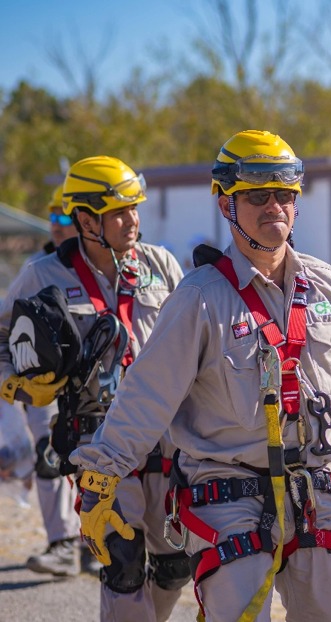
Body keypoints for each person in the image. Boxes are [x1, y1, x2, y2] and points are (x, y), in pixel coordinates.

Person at [69, 130, 331, 622]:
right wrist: (101, 475)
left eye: (284, 195)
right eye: (257, 196)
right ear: (225, 204)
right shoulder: (199, 297)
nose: (274, 207)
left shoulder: (326, 285)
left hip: (315, 492)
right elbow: (145, 397)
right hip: (228, 498)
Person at [0, 156, 188, 619]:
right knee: (122, 565)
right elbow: (1, 340)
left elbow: (193, 341)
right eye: (120, 211)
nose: (133, 220)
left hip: (167, 439)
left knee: (175, 565)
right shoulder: (43, 275)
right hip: (98, 444)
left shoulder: (161, 265)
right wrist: (19, 389)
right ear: (85, 219)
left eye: (135, 208)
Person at [16, 183, 87, 576]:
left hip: (95, 390)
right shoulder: (36, 269)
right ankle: (61, 542)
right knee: (48, 456)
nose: (57, 225)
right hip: (44, 390)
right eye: (52, 217)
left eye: (65, 217)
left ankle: (94, 545)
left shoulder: (109, 268)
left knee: (96, 463)